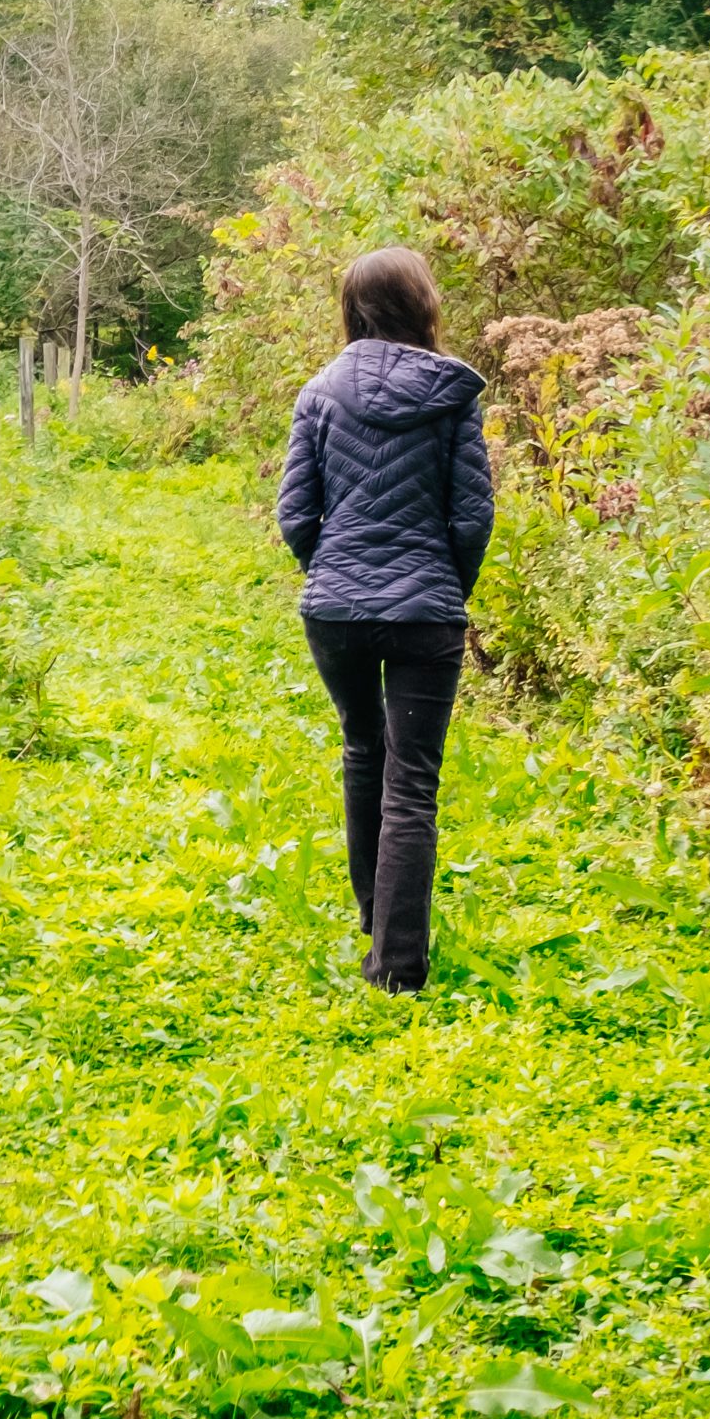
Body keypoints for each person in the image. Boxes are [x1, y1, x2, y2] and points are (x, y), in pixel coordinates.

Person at [272, 247, 494, 992]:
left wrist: (332, 573)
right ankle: (397, 966)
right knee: (412, 781)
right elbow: (471, 516)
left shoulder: (320, 391)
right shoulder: (452, 393)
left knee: (364, 749)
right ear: (421, 302)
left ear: (353, 306)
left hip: (332, 610)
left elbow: (296, 514)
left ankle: (376, 917)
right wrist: (443, 587)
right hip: (427, 612)